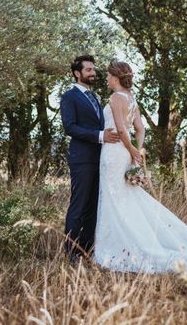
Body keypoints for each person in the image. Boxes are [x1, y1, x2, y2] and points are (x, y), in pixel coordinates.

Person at [93, 59, 187, 273]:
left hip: (114, 153)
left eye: (109, 75)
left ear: (117, 77)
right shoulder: (131, 98)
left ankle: (119, 247)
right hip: (126, 154)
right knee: (126, 199)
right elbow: (140, 129)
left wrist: (132, 151)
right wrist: (136, 151)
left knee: (114, 199)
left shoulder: (115, 97)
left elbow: (121, 130)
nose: (107, 78)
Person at [59, 55, 121, 262]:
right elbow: (70, 127)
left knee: (93, 207)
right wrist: (101, 136)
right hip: (82, 159)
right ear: (77, 73)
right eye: (88, 70)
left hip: (101, 158)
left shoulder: (94, 97)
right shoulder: (69, 96)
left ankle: (87, 250)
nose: (93, 73)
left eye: (93, 69)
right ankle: (71, 252)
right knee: (79, 205)